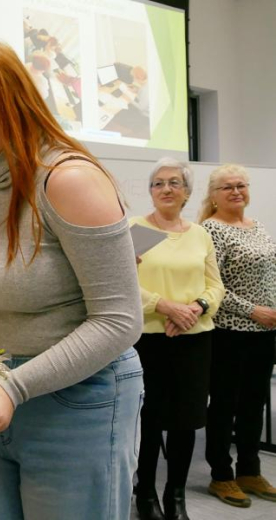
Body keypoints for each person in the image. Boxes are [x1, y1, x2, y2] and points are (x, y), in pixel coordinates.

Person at [0, 40, 144, 520]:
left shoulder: (69, 180)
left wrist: (14, 387)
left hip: (76, 401)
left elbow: (120, 320)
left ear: (5, 102)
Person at [130, 158, 225, 520]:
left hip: (194, 339)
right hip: (148, 340)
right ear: (151, 191)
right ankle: (145, 494)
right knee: (150, 421)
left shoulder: (199, 234)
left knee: (187, 421)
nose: (166, 189)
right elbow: (121, 282)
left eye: (174, 182)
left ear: (187, 192)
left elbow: (215, 286)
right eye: (158, 183)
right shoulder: (136, 229)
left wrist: (196, 308)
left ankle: (176, 496)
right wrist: (166, 306)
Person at [199, 164, 276, 508]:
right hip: (229, 333)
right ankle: (221, 475)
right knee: (224, 405)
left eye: (241, 185)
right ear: (214, 195)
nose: (236, 191)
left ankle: (249, 470)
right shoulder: (211, 230)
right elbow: (211, 286)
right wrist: (253, 311)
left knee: (254, 405)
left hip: (264, 332)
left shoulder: (257, 226)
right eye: (227, 187)